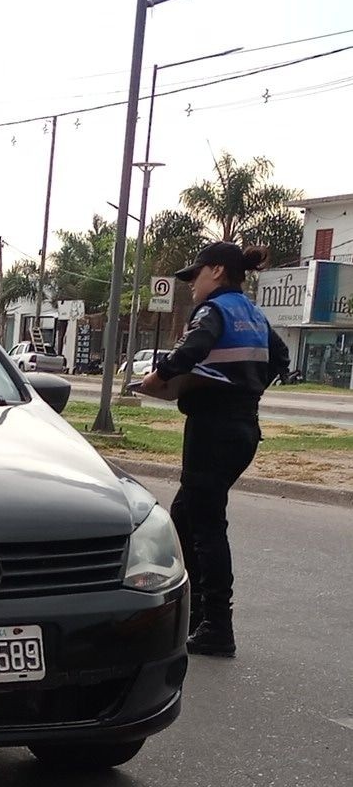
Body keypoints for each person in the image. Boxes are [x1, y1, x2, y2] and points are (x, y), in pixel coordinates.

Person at [141, 241, 289, 659]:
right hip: (244, 428)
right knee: (185, 517)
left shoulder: (214, 310)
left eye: (197, 275)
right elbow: (280, 355)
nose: (192, 285)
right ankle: (194, 614)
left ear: (218, 271)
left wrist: (161, 376)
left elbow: (193, 348)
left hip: (212, 429)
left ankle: (217, 627)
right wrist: (249, 387)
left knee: (206, 526)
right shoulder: (254, 314)